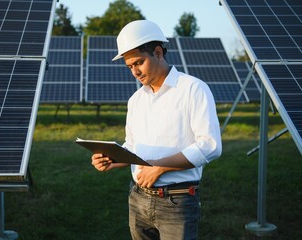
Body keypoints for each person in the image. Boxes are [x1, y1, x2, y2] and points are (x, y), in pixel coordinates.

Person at [91, 20, 222, 240]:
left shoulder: (193, 89)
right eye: (130, 66)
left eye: (139, 62)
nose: (135, 72)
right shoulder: (136, 100)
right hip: (138, 197)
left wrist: (159, 167)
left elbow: (210, 146)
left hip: (177, 201)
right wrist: (113, 159)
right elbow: (133, 145)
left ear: (158, 52)